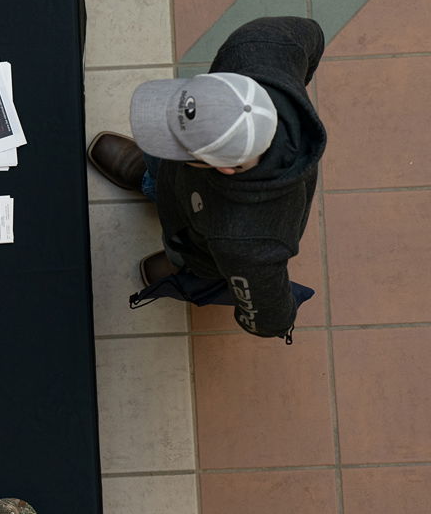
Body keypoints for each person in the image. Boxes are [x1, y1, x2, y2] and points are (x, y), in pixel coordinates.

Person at [87, 17, 327, 339]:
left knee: (194, 258)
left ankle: (183, 266)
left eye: (179, 147)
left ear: (225, 168)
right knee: (166, 169)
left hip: (202, 241)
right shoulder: (258, 44)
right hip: (190, 188)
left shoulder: (248, 242)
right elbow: (310, 36)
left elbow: (268, 314)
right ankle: (151, 177)